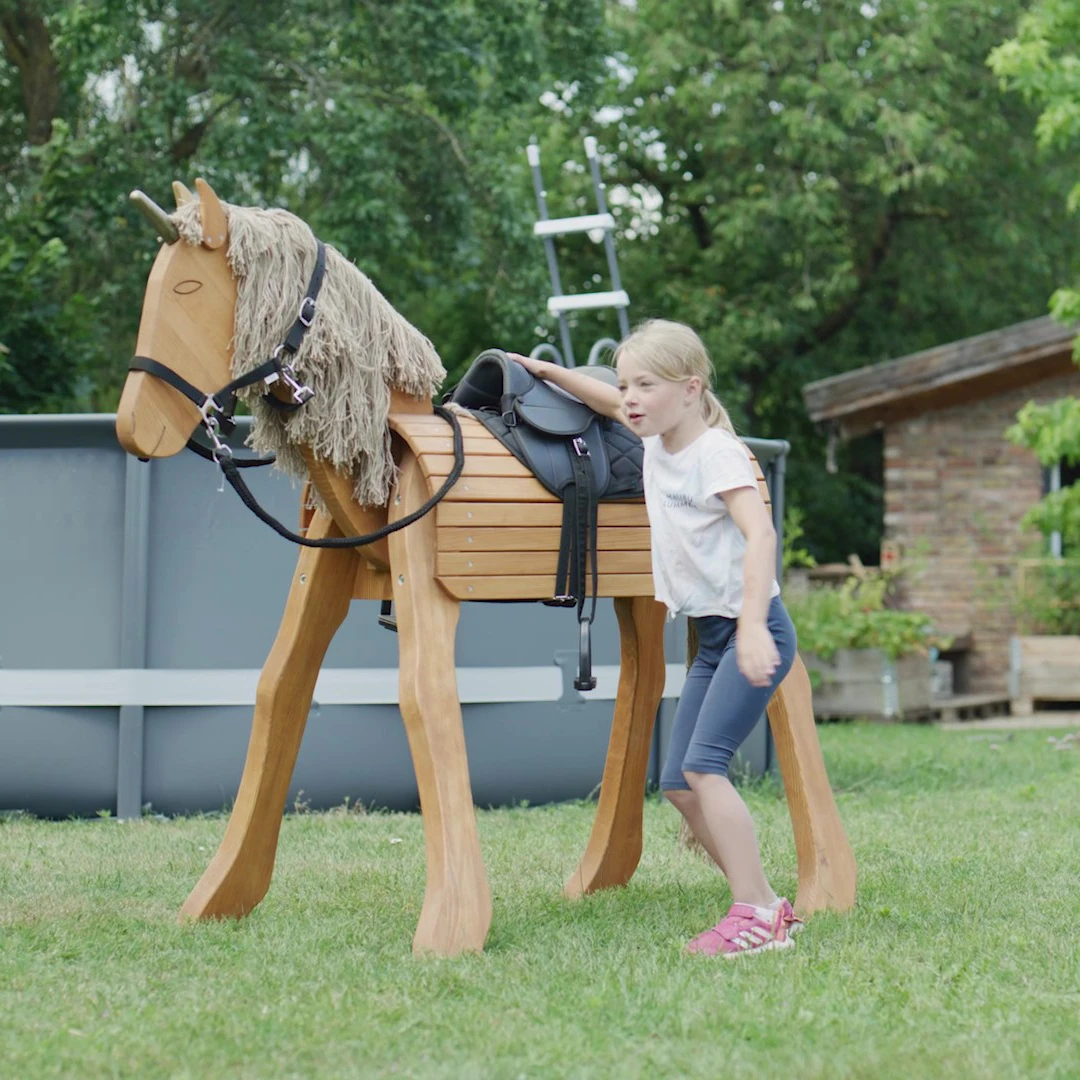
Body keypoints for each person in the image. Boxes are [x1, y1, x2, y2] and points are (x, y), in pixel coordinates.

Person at [510, 319, 801, 957]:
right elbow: (604, 402)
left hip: (751, 627)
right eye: (625, 384)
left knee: (704, 767)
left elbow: (762, 537)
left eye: (646, 384)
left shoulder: (716, 454)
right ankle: (768, 904)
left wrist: (753, 627)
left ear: (690, 389)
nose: (630, 397)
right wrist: (540, 372)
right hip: (712, 637)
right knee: (677, 783)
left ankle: (754, 912)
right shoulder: (657, 437)